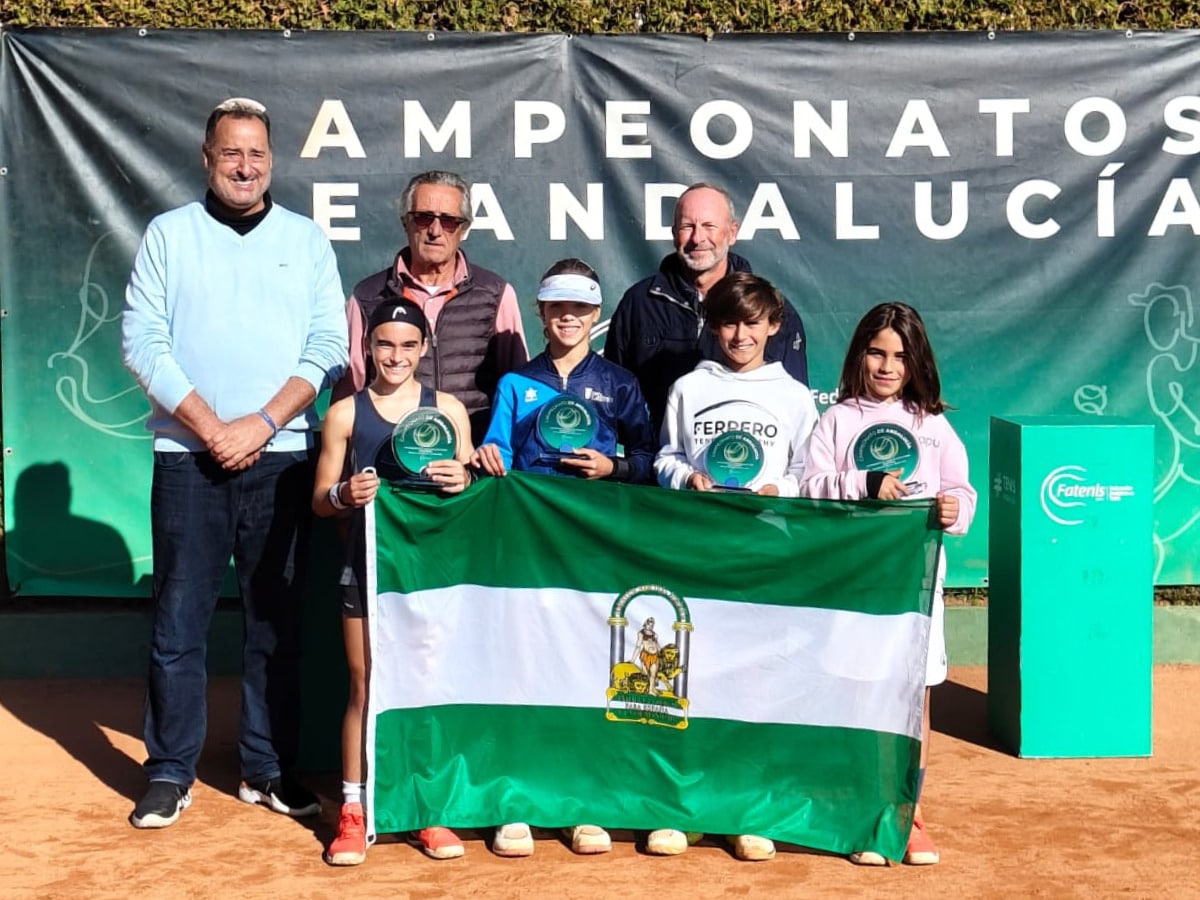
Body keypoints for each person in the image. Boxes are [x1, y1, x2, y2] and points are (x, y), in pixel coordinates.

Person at [121, 97, 349, 829]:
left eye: (255, 154)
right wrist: (211, 426)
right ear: (207, 158)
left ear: (271, 161)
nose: (244, 166)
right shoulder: (168, 235)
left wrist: (260, 423)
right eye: (230, 154)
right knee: (177, 624)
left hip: (280, 459)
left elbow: (327, 346)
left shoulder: (306, 240)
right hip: (188, 458)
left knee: (274, 625)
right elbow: (142, 343)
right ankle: (168, 771)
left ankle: (266, 768)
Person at [472, 258, 656, 858]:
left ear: (595, 314)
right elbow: (495, 447)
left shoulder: (621, 384)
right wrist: (491, 458)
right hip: (527, 547)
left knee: (585, 668)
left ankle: (581, 802)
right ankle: (517, 802)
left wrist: (615, 467)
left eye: (580, 307)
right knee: (522, 666)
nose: (569, 317)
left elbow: (651, 458)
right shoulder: (515, 385)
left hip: (594, 549)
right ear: (540, 313)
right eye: (557, 307)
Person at [800, 301, 977, 866]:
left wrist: (955, 509)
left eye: (899, 356)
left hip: (916, 591)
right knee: (854, 690)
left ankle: (907, 812)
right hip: (852, 586)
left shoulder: (933, 425)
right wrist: (861, 482)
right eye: (877, 352)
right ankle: (859, 812)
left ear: (915, 361)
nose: (886, 365)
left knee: (913, 698)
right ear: (859, 355)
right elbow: (810, 486)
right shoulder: (834, 419)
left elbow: (963, 493)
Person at [652, 272, 819, 861]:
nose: (740, 334)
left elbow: (810, 471)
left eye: (752, 323)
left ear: (774, 326)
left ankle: (749, 808)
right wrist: (686, 477)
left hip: (763, 552)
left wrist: (781, 488)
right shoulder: (688, 389)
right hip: (698, 549)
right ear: (712, 326)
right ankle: (683, 808)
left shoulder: (796, 397)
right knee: (691, 676)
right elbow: (665, 457)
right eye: (728, 322)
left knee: (756, 680)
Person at [313, 299, 473, 865]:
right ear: (368, 347)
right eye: (385, 344)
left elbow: (467, 488)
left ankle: (427, 809)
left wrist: (463, 478)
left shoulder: (450, 410)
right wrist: (343, 495)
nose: (396, 355)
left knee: (428, 683)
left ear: (424, 349)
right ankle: (354, 813)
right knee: (366, 685)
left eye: (408, 345)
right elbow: (320, 499)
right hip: (364, 568)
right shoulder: (345, 414)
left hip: (430, 574)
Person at [340, 170, 528, 444]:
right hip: (389, 460)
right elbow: (349, 392)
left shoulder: (496, 293)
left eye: (449, 221)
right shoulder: (367, 296)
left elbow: (517, 389)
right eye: (424, 217)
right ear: (406, 223)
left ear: (463, 230)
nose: (435, 230)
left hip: (472, 462)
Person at [604, 183, 808, 434]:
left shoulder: (772, 309)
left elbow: (792, 409)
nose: (698, 238)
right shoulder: (638, 303)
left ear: (732, 233)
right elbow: (614, 397)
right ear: (673, 233)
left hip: (749, 466)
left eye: (709, 226)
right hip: (656, 467)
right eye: (687, 226)